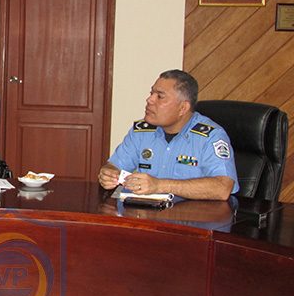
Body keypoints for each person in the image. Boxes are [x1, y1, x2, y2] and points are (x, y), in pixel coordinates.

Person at [98, 69, 239, 201]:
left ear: (183, 108)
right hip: (147, 213)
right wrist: (109, 174)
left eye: (160, 96)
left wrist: (159, 185)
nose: (149, 100)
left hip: (193, 215)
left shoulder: (211, 136)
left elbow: (223, 188)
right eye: (151, 93)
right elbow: (115, 166)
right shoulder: (142, 132)